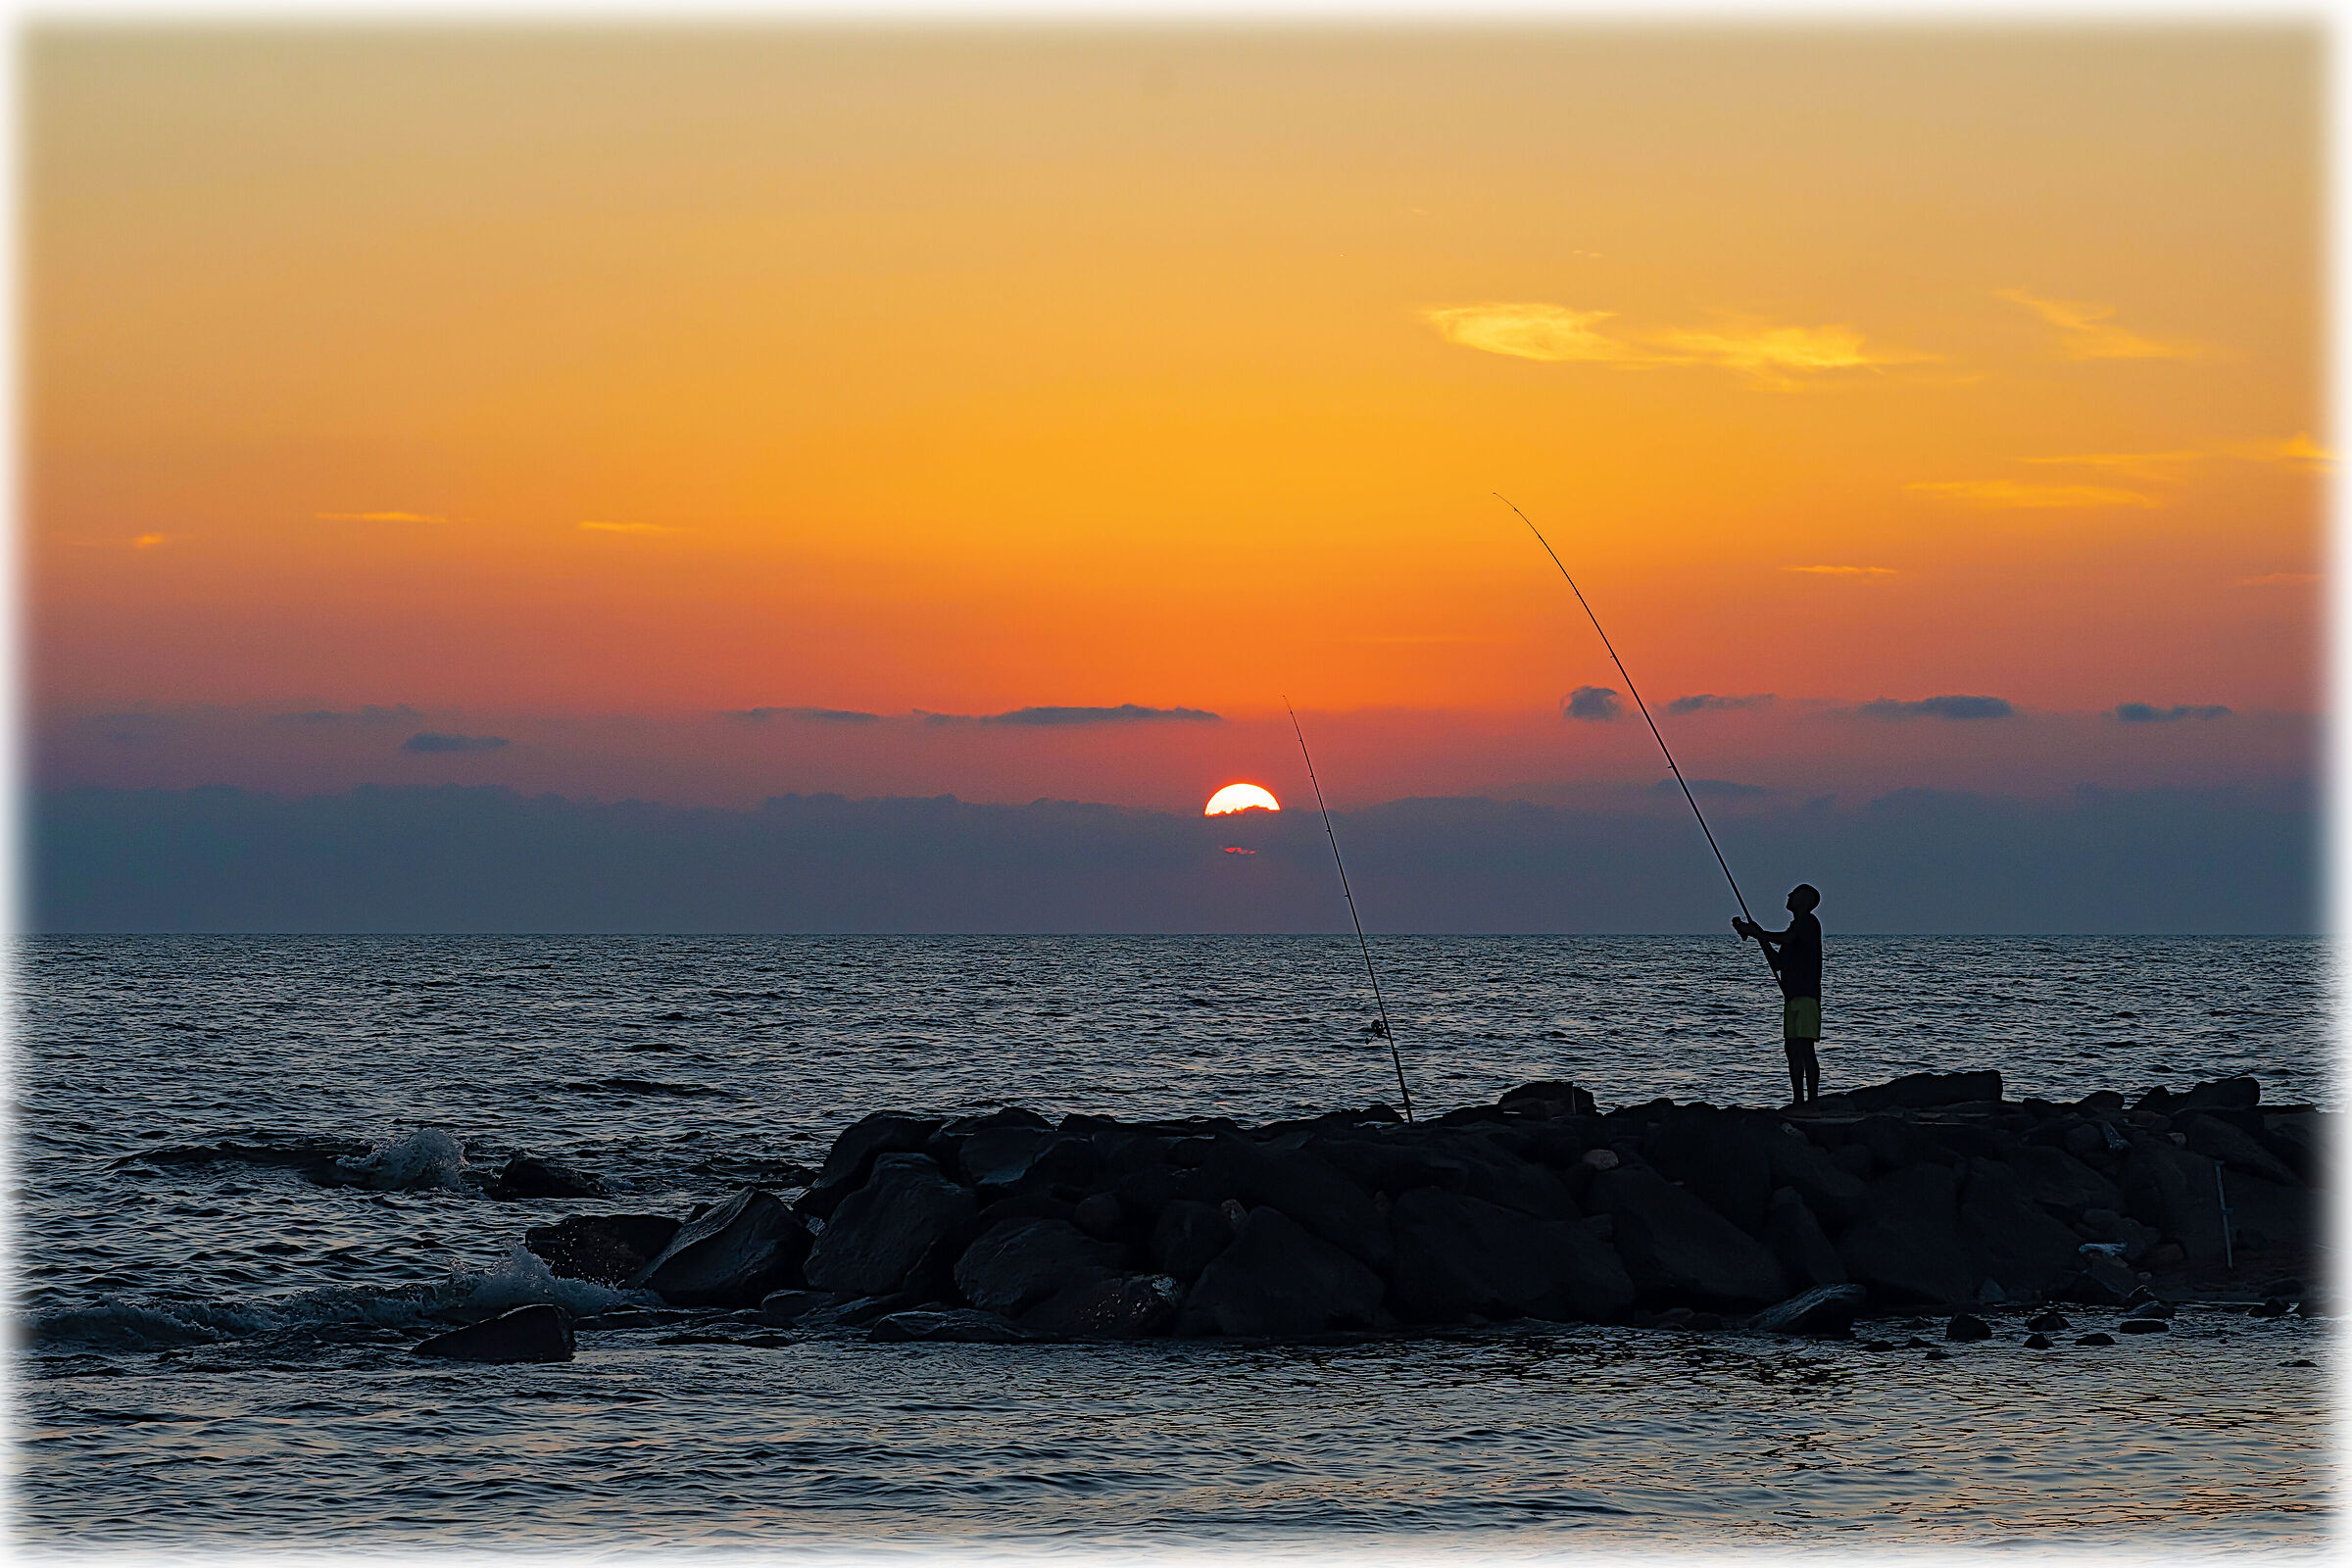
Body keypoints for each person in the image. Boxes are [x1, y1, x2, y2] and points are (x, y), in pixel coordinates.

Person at [1734, 884, 1823, 1105]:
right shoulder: (1794, 929)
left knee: (1805, 1049)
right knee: (1792, 1050)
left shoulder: (1808, 923)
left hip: (1806, 997)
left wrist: (1757, 932)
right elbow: (1778, 963)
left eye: (1794, 894)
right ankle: (1797, 1102)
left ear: (1804, 901)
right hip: (1792, 997)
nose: (1789, 895)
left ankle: (1812, 1103)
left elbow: (1786, 939)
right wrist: (1759, 937)